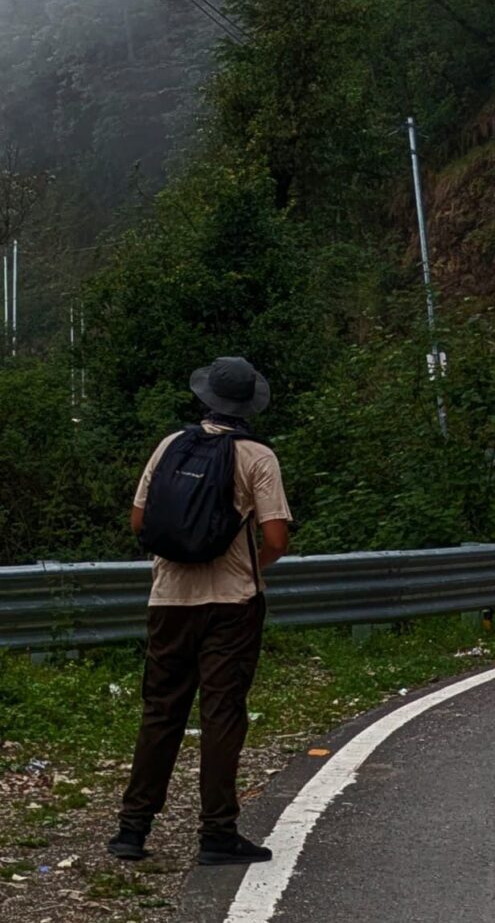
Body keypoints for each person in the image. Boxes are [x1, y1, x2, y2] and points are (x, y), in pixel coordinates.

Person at [107, 354, 293, 868]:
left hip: (168, 601)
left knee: (161, 712)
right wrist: (255, 562)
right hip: (231, 603)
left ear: (207, 398)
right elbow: (275, 536)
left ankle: (132, 830)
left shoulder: (171, 445)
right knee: (222, 715)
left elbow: (139, 521)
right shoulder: (257, 457)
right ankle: (217, 835)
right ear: (249, 403)